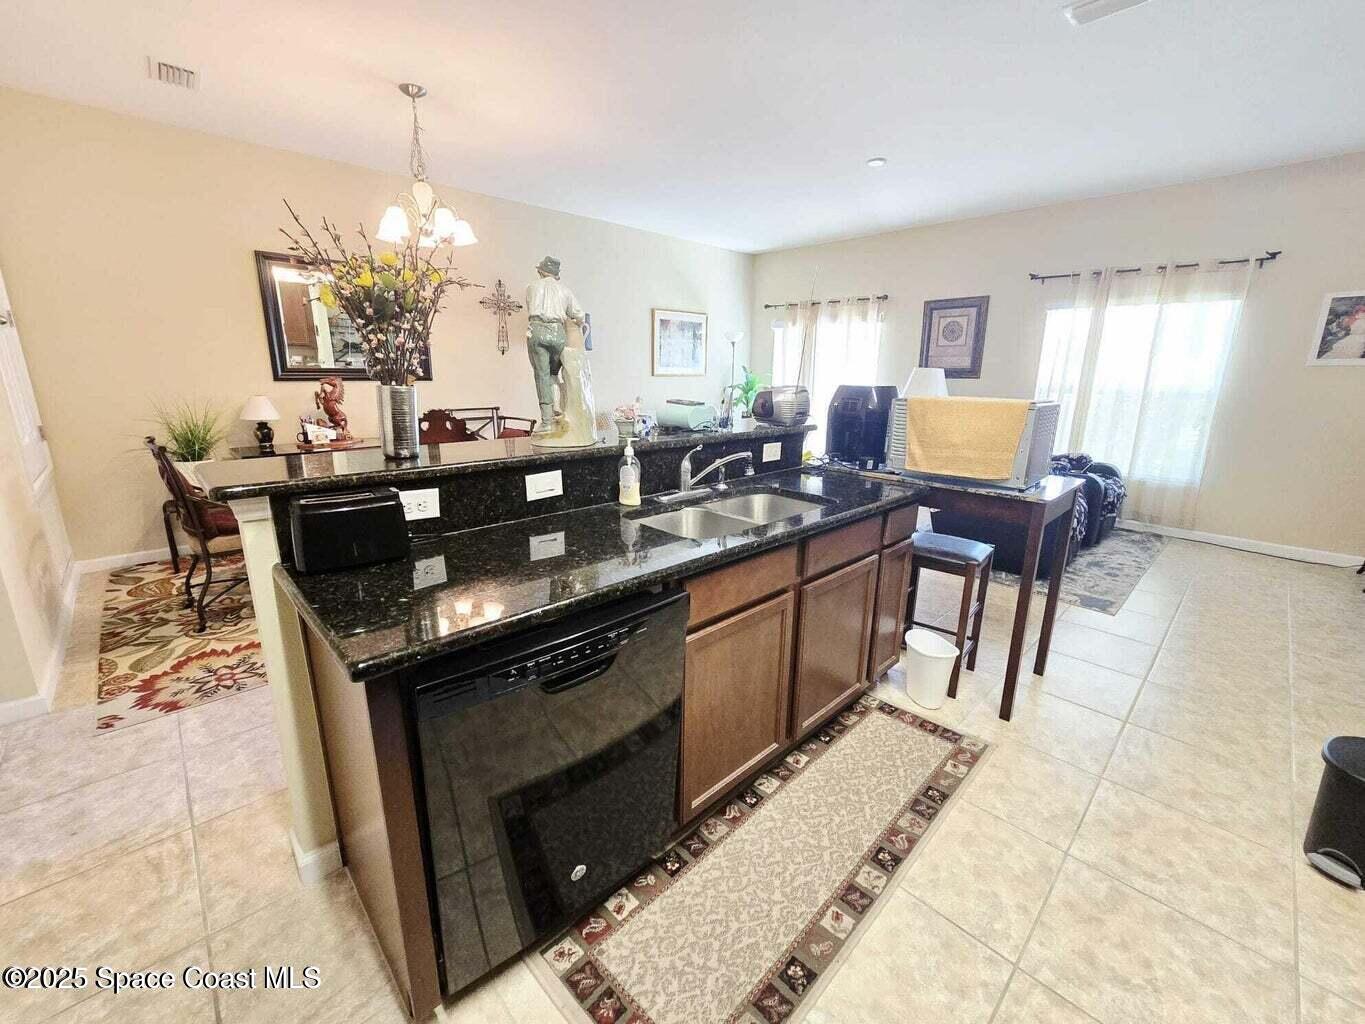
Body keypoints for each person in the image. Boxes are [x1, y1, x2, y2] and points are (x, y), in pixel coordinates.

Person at [525, 256, 586, 430]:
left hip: (536, 330)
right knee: (556, 373)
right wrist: (577, 324)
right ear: (556, 275)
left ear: (541, 272)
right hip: (557, 332)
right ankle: (561, 408)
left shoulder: (531, 287)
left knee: (541, 375)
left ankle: (547, 420)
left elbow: (531, 306)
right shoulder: (565, 290)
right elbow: (579, 315)